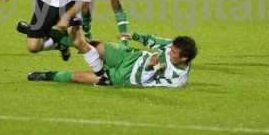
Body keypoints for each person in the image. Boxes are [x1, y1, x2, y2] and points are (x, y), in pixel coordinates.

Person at [27, 27, 198, 88]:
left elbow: (147, 83)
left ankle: (45, 75)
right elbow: (155, 41)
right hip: (129, 56)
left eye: (174, 53)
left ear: (184, 59)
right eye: (171, 49)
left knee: (78, 77)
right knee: (93, 44)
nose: (169, 52)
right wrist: (136, 36)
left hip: (123, 77)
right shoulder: (173, 46)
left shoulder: (176, 80)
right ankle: (43, 31)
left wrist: (149, 67)